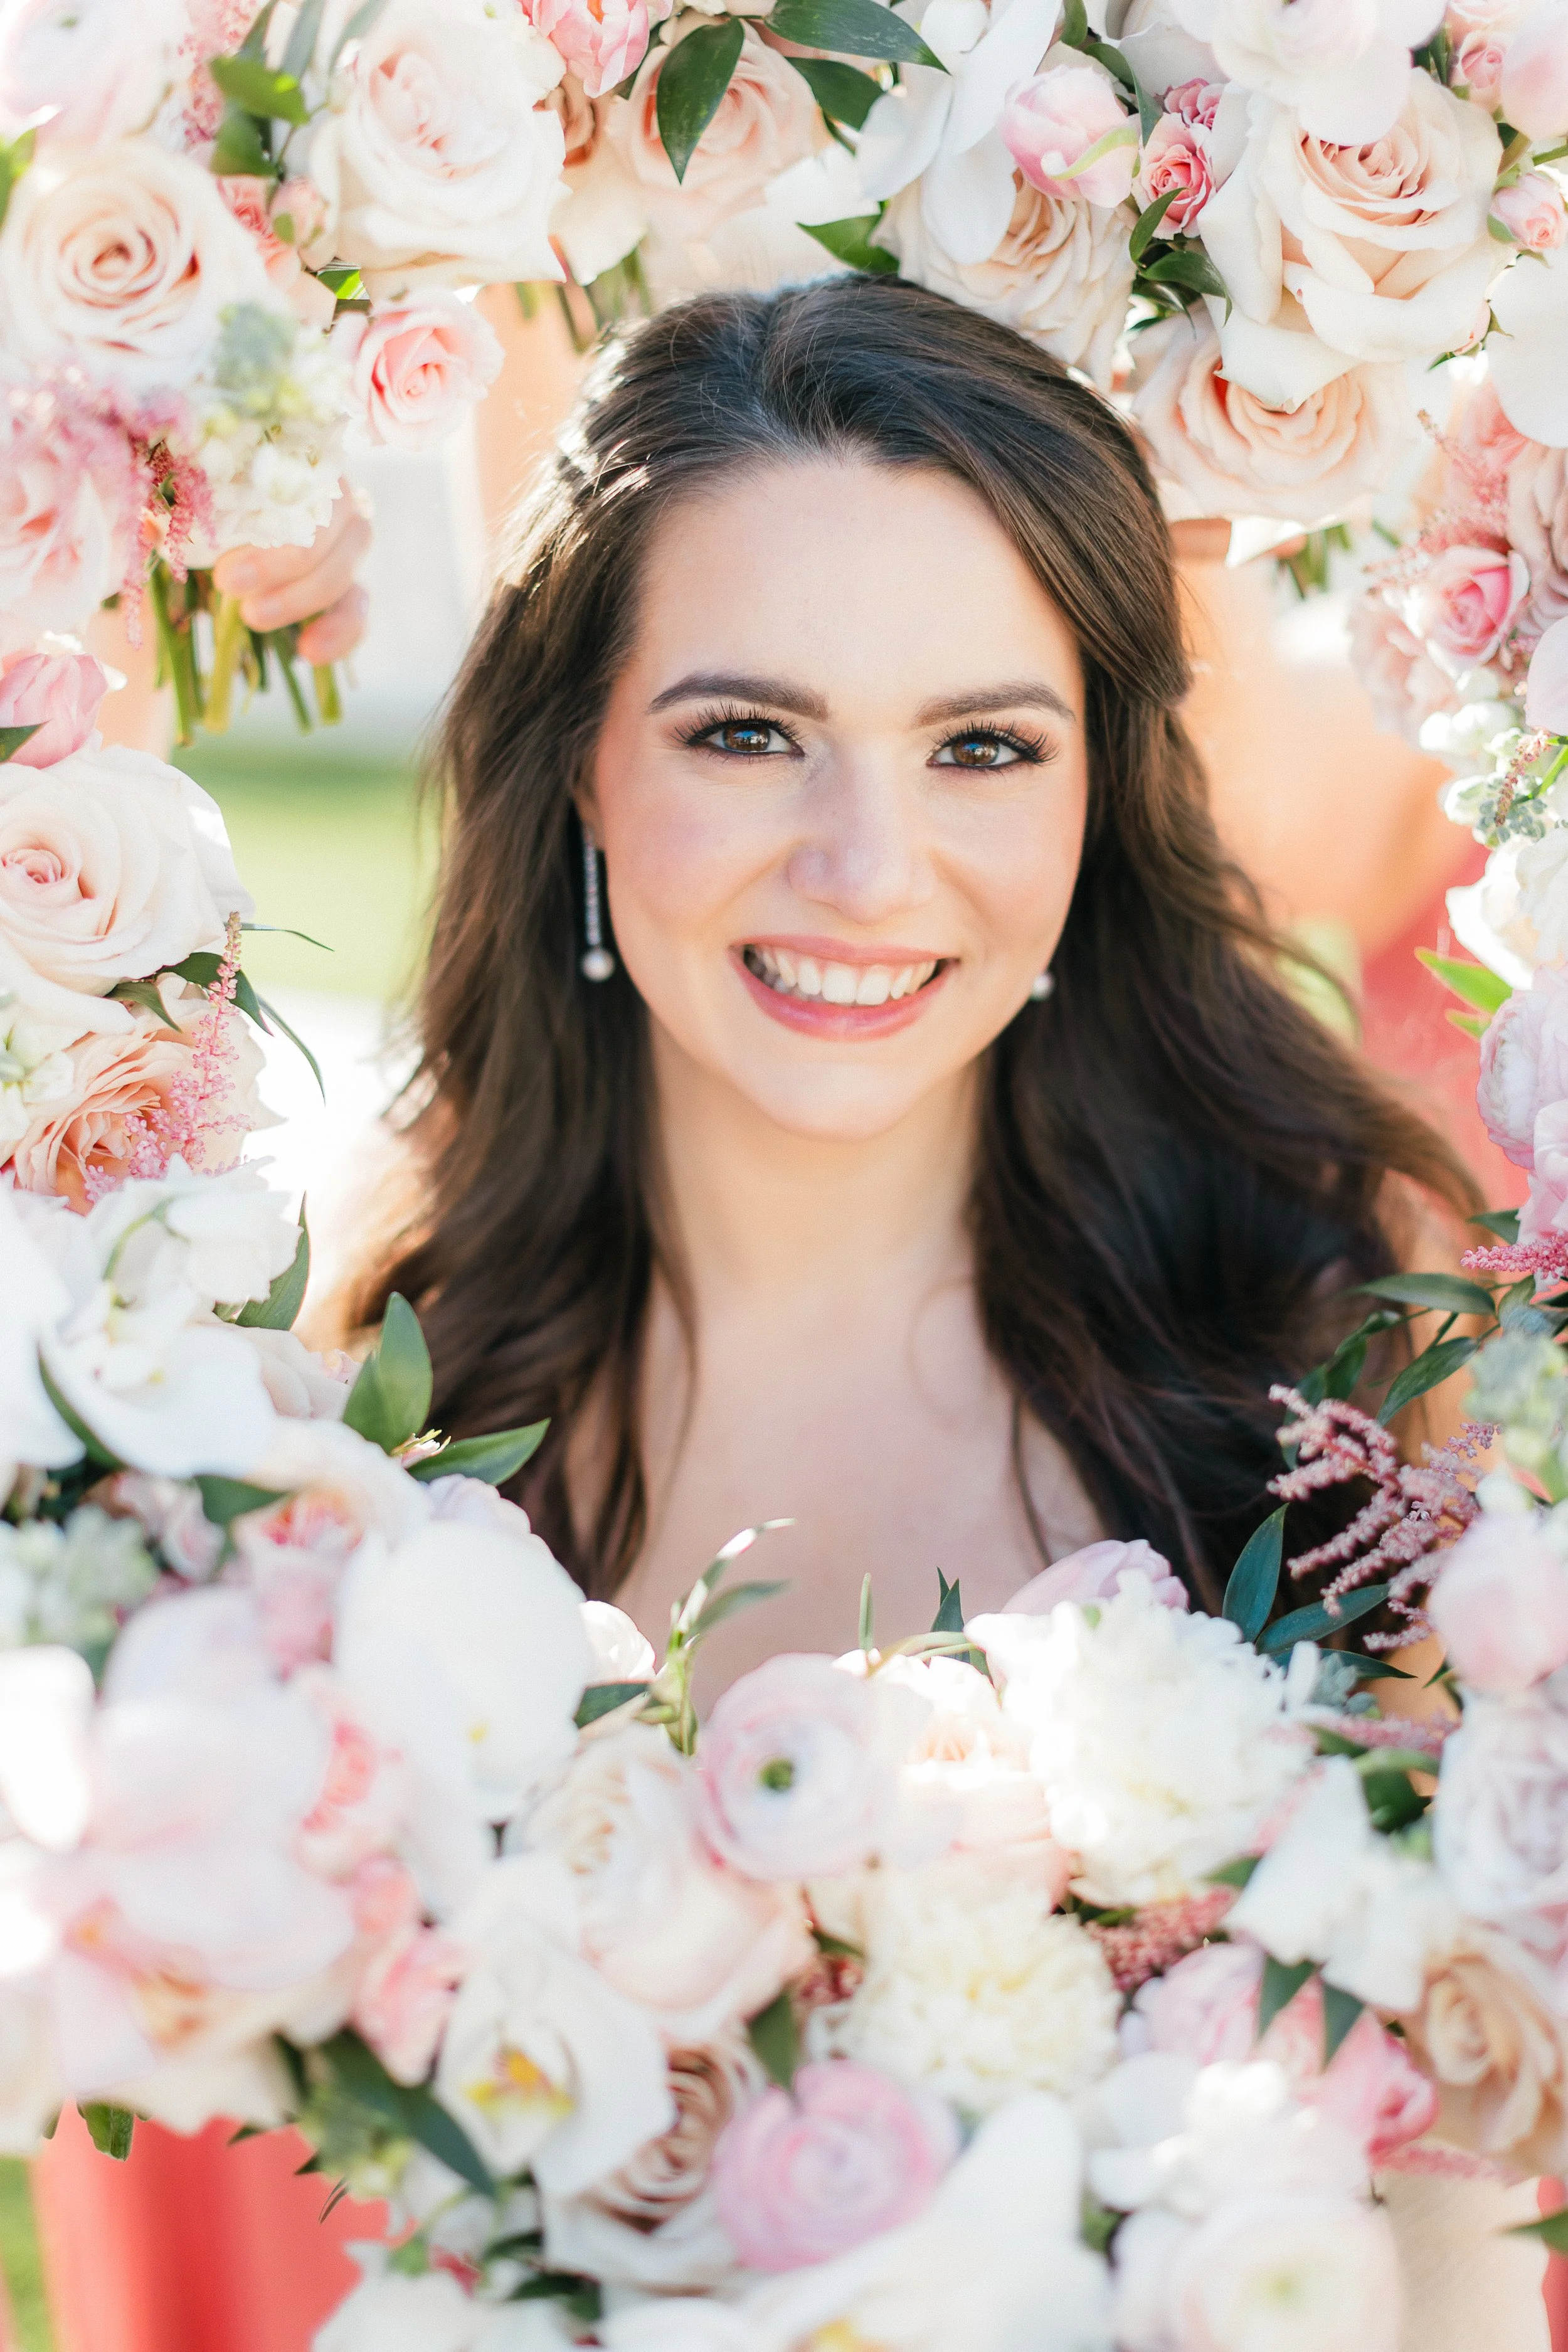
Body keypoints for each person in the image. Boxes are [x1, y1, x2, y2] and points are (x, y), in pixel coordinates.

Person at [354, 273, 1475, 1675]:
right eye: (749, 736)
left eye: (981, 748)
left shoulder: (1341, 1367)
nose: (869, 872)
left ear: (1096, 799)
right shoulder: (347, 1412)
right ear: (582, 768)